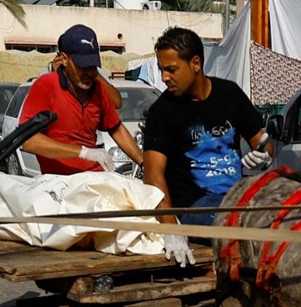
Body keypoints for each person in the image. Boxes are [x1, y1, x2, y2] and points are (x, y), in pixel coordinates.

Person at [142, 27, 271, 267]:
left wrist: (264, 155)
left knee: (283, 217)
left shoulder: (230, 94)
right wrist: (172, 229)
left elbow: (261, 142)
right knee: (246, 228)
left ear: (195, 63)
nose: (164, 77)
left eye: (171, 69)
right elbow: (152, 175)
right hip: (194, 206)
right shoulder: (162, 112)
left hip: (237, 197)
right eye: (161, 69)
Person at [18, 24, 142, 175]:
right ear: (64, 59)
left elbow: (116, 129)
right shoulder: (45, 86)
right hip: (59, 182)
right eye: (83, 67)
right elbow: (29, 141)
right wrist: (83, 152)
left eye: (93, 66)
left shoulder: (99, 89)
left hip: (94, 176)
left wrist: (142, 163)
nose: (89, 73)